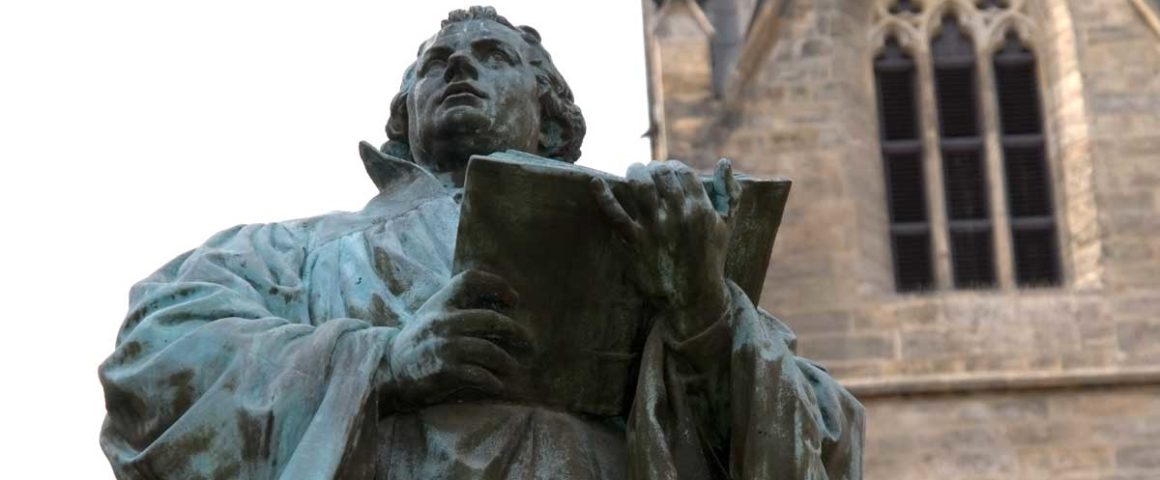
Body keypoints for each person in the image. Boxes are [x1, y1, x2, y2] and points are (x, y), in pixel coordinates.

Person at [99, 6, 863, 479]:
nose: (459, 63)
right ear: (405, 115)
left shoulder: (649, 234)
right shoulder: (289, 253)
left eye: (493, 57)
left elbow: (830, 441)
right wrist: (381, 363)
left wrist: (705, 316)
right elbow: (153, 356)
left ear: (552, 121)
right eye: (436, 64)